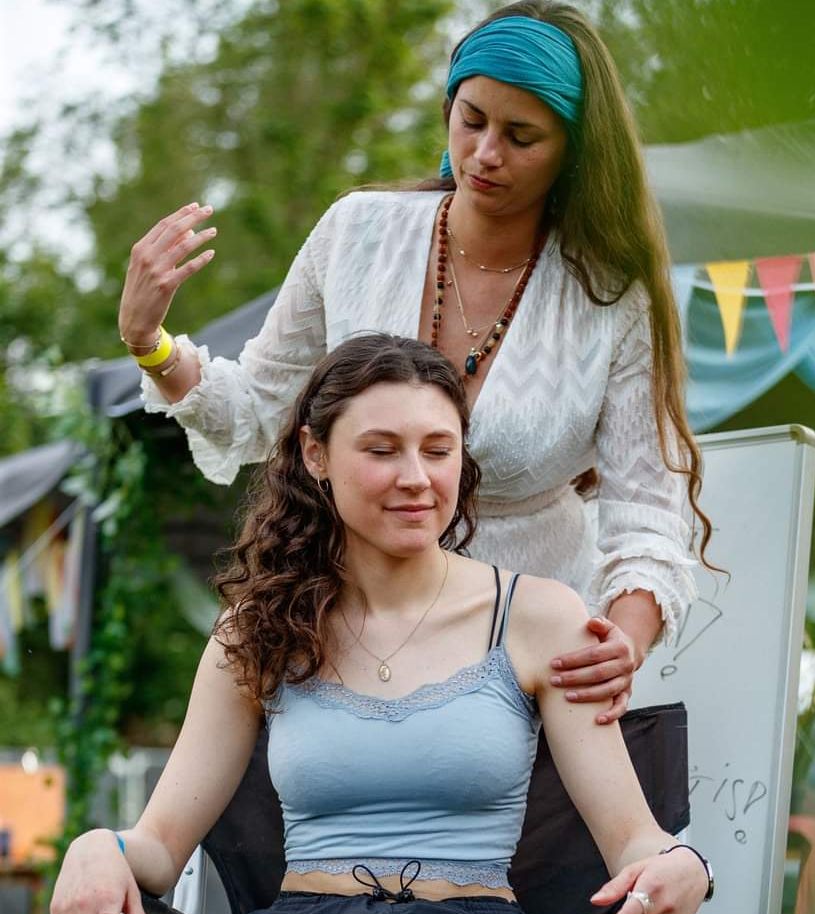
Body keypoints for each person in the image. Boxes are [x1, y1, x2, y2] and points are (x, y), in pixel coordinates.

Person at [50, 335, 713, 914]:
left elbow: (633, 838)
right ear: (316, 454)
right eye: (382, 450)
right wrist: (96, 849)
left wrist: (684, 864)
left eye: (438, 450)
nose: (416, 478)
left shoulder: (538, 617)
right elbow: (160, 842)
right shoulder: (258, 633)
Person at [116, 0, 712, 723]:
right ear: (447, 110)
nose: (485, 154)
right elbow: (253, 414)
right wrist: (150, 341)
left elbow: (648, 514)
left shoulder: (612, 294)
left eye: (521, 136)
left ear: (574, 150)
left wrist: (623, 640)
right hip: (341, 635)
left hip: (529, 664)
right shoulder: (355, 233)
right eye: (472, 120)